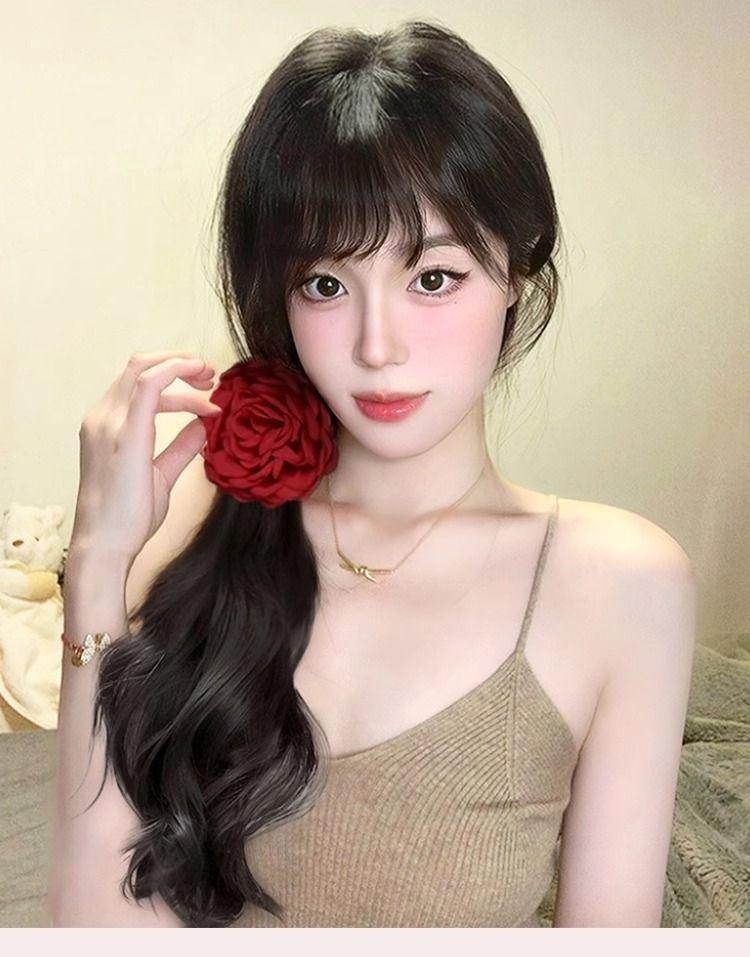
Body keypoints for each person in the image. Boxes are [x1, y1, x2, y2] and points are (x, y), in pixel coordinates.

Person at [49, 20, 696, 929]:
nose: (377, 347)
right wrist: (97, 563)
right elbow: (97, 927)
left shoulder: (621, 582)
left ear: (516, 270)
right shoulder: (201, 512)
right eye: (325, 283)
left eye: (433, 277)